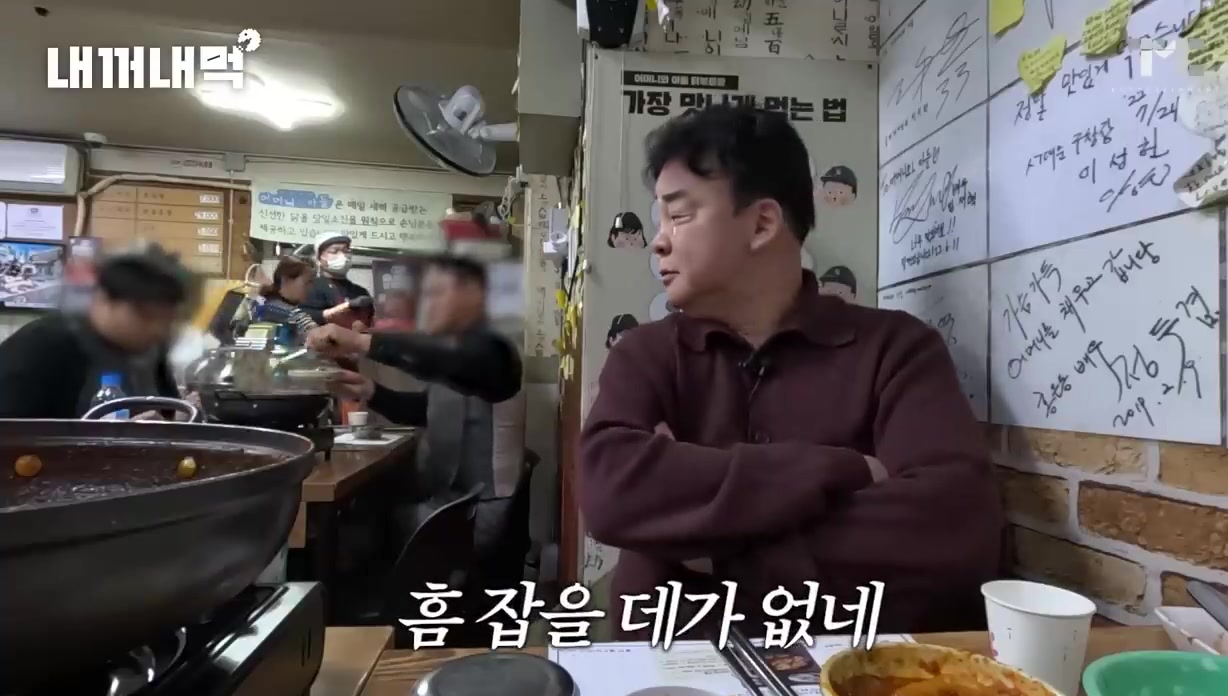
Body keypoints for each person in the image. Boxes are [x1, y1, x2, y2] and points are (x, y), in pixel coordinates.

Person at [578, 105, 1001, 638]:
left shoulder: (896, 349)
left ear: (762, 223)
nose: (659, 240)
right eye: (659, 220)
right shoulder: (645, 353)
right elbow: (610, 492)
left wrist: (711, 547)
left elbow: (957, 528)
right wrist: (842, 469)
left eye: (679, 216)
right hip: (665, 668)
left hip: (849, 671)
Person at [306, 255, 523, 548]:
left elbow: (452, 361)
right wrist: (369, 390)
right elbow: (425, 410)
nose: (425, 305)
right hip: (452, 498)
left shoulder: (495, 349)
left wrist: (360, 342)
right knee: (365, 511)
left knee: (362, 528)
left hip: (476, 509)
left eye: (436, 293)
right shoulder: (456, 349)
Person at [0, 247, 195, 419]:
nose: (157, 329)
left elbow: (168, 413)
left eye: (167, 319)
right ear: (104, 300)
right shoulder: (43, 344)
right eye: (146, 316)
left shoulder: (149, 349)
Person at [300, 232, 374, 328]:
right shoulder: (310, 287)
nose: (342, 256)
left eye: (346, 251)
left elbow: (370, 321)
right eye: (334, 251)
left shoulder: (360, 291)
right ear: (319, 259)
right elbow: (303, 317)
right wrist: (343, 307)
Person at [257, 255, 319, 341]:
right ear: (286, 280)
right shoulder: (295, 316)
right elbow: (319, 340)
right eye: (307, 282)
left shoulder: (258, 307)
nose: (310, 287)